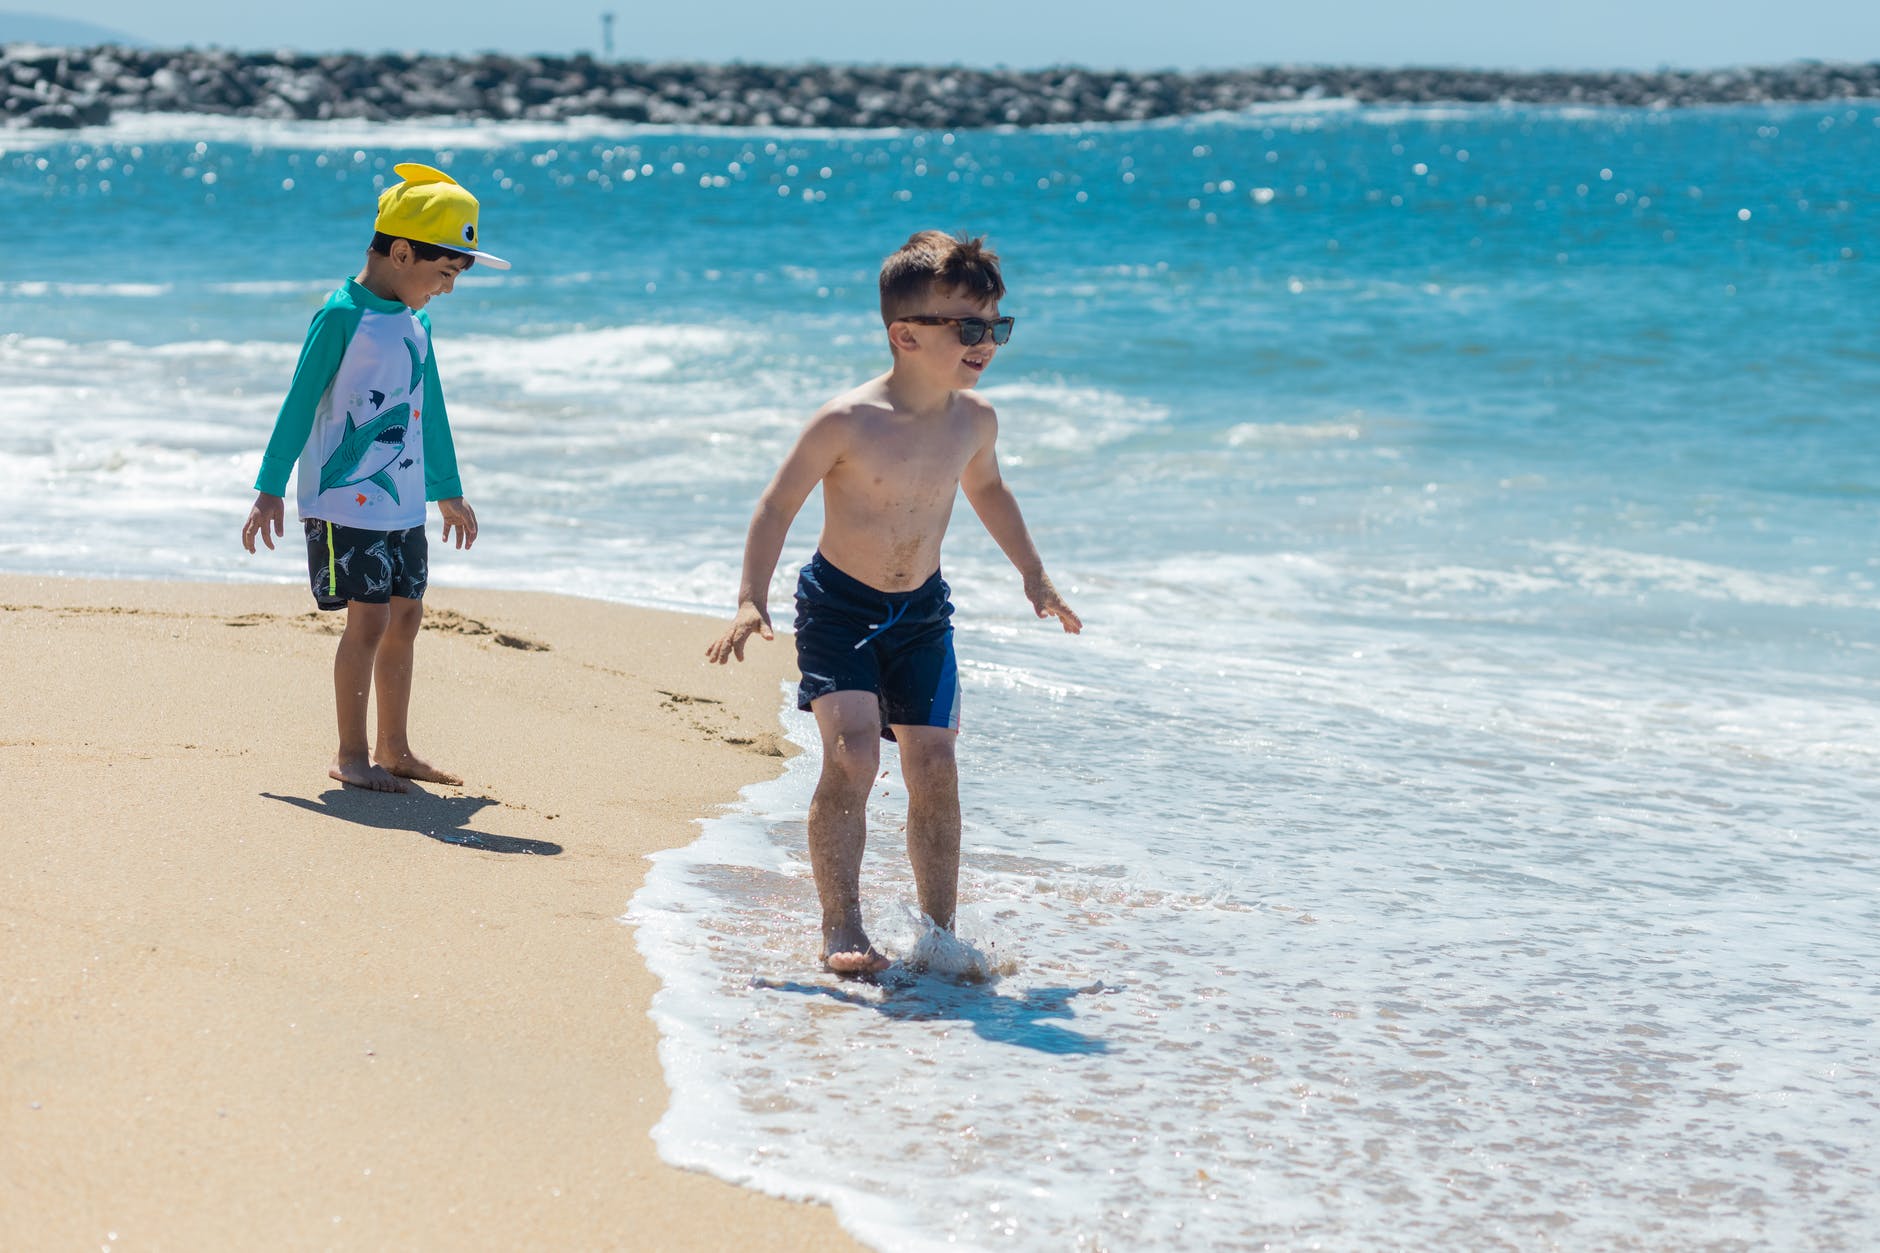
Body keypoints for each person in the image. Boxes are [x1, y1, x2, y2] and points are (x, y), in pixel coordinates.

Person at [706, 230, 1082, 974]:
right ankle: (841, 924)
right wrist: (750, 597)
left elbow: (991, 493)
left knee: (935, 765)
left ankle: (939, 934)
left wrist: (1034, 575)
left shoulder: (975, 422)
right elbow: (777, 504)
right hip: (839, 604)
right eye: (969, 328)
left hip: (922, 611)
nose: (987, 343)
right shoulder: (846, 421)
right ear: (904, 335)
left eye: (996, 327)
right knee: (851, 754)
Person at [240, 162, 510, 794]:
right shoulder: (340, 317)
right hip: (343, 503)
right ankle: (350, 753)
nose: (447, 289)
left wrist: (447, 489)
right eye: (443, 273)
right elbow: (298, 402)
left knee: (406, 616)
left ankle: (396, 748)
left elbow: (430, 408)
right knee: (366, 622)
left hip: (403, 503)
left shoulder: (417, 324)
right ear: (401, 251)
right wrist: (270, 488)